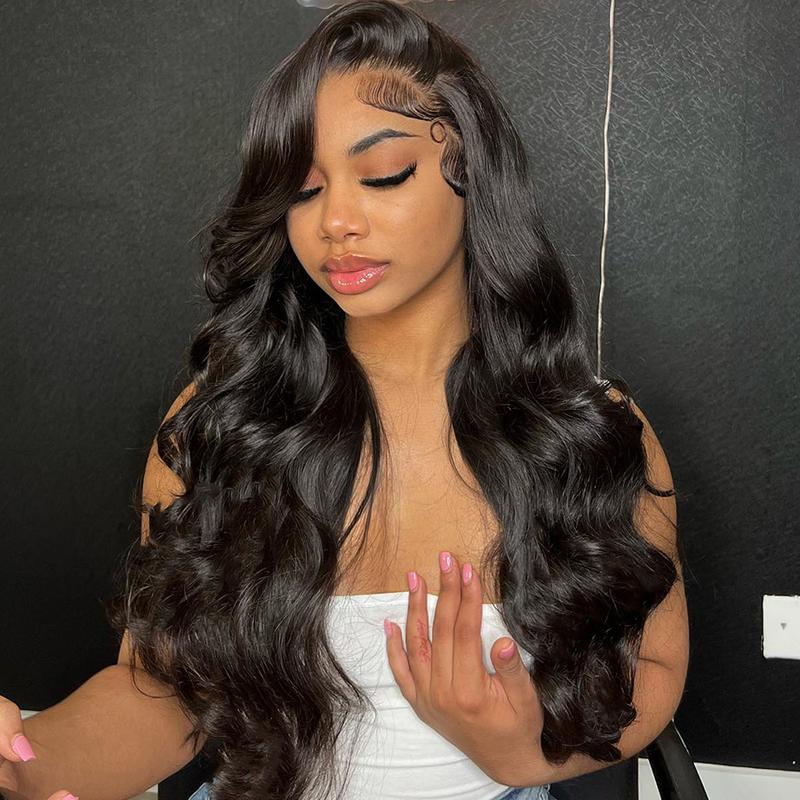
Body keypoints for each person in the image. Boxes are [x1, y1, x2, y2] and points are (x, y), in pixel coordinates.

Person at [0, 1, 689, 799]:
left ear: (472, 170)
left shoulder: (588, 433)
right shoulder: (226, 425)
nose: (335, 221)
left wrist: (525, 752)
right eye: (302, 190)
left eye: (384, 174)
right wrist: (26, 761)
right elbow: (161, 694)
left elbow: (655, 665)